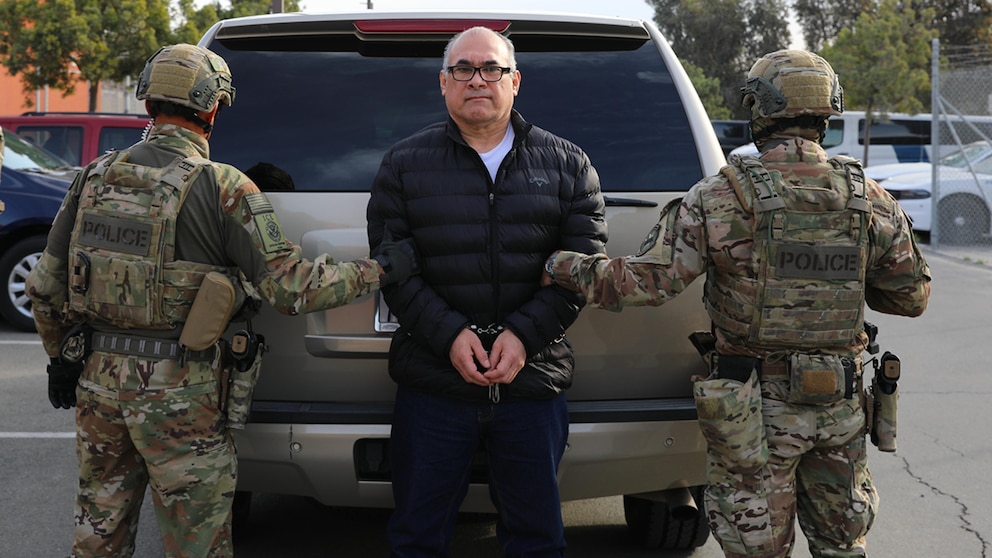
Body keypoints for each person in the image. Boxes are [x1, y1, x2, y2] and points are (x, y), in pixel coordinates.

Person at [25, 43, 417, 558]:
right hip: (180, 394)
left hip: (99, 386)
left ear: (148, 104)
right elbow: (292, 288)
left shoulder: (93, 177)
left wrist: (61, 360)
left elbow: (44, 288)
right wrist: (383, 268)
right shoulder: (224, 186)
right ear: (212, 109)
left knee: (98, 531)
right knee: (197, 541)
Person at [544, 50, 931, 557]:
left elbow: (645, 284)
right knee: (844, 547)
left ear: (760, 109)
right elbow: (911, 297)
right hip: (839, 408)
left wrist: (559, 265)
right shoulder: (870, 198)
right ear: (827, 112)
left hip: (751, 412)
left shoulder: (719, 198)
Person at [367, 26, 607, 558]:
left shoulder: (568, 164)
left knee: (537, 541)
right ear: (444, 82)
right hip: (434, 385)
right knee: (416, 539)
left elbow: (581, 272)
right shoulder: (403, 165)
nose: (477, 79)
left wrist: (522, 336)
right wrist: (451, 335)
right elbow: (395, 271)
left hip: (532, 385)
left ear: (514, 81)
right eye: (463, 69)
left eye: (491, 68)